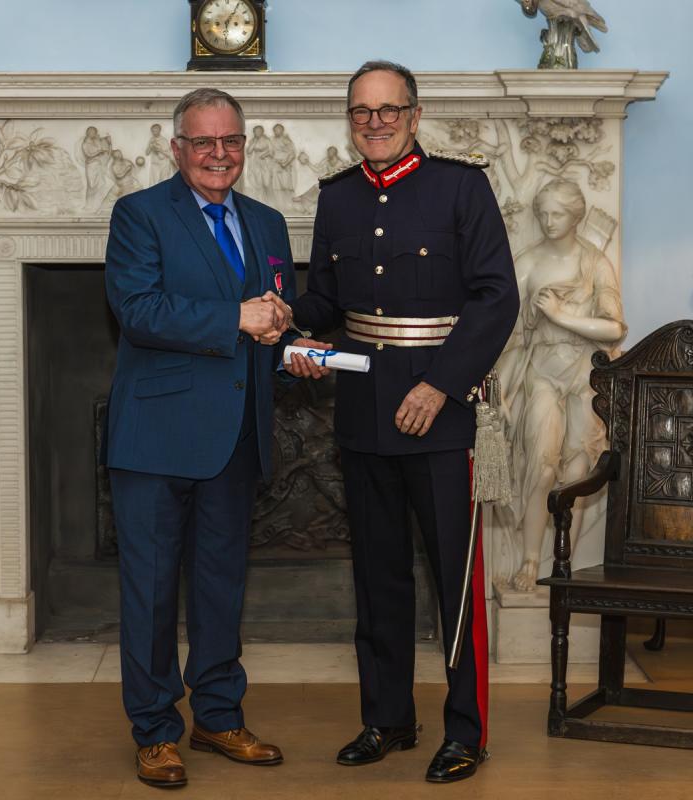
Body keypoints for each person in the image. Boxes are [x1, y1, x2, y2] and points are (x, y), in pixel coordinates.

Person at [289, 61, 519, 783]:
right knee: (378, 576)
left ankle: (466, 731)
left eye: (389, 109)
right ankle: (388, 718)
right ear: (349, 120)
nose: (376, 122)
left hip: (442, 417)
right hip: (363, 412)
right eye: (362, 111)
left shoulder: (461, 187)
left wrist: (441, 385)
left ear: (416, 115)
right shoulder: (337, 197)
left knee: (455, 579)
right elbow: (328, 301)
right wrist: (290, 324)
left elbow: (497, 297)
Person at [103, 87, 327, 789]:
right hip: (155, 439)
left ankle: (219, 717)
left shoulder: (267, 223)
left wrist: (295, 348)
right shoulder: (139, 214)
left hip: (235, 436)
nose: (218, 154)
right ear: (177, 149)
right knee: (149, 592)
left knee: (221, 587)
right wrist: (237, 317)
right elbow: (139, 310)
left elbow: (271, 319)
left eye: (230, 141)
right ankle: (155, 731)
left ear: (244, 147)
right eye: (203, 142)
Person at [497, 178, 625, 591]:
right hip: (541, 371)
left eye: (558, 214)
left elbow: (614, 329)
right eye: (543, 214)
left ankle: (561, 562)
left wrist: (559, 314)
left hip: (585, 373)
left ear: (576, 217)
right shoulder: (527, 263)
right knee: (540, 464)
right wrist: (499, 384)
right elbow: (508, 332)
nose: (549, 221)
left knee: (577, 468)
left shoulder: (595, 263)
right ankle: (530, 558)